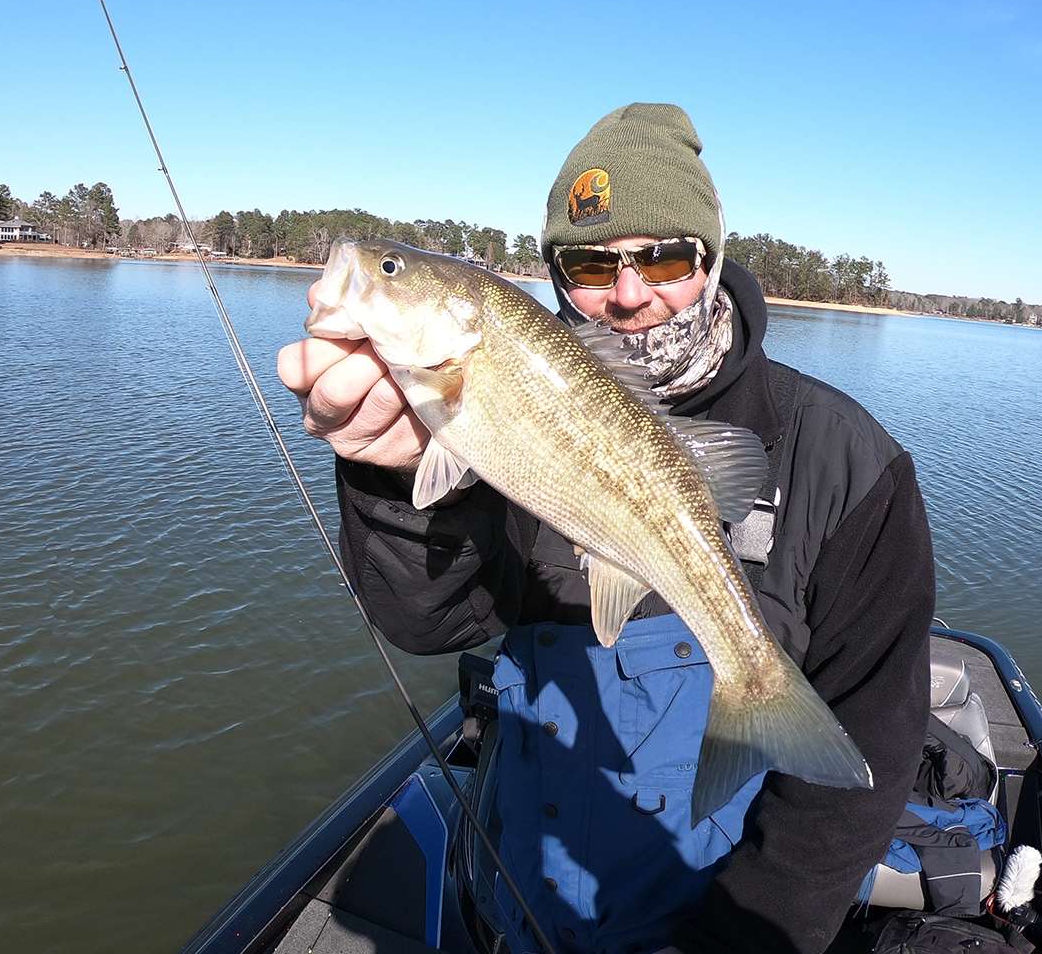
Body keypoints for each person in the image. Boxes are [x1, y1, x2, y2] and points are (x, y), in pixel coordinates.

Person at [276, 103, 933, 954]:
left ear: (712, 257)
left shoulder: (853, 465)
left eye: (662, 257)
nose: (628, 295)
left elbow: (867, 754)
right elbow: (430, 623)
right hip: (506, 902)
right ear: (555, 274)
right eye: (591, 263)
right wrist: (390, 478)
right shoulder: (458, 406)